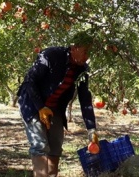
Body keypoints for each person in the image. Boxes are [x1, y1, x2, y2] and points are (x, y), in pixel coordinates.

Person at [17, 31, 99, 177]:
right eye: (85, 51)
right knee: (40, 145)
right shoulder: (51, 55)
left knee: (55, 145)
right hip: (32, 102)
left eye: (90, 52)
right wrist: (40, 107)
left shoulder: (82, 70)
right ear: (74, 48)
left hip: (55, 108)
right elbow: (30, 80)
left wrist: (91, 129)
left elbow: (85, 99)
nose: (87, 57)